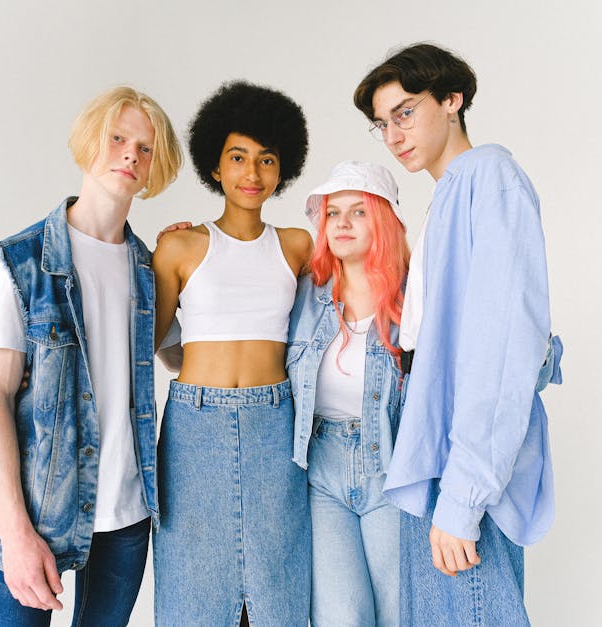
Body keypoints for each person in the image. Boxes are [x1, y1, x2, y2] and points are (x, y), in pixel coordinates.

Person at [353, 43, 564, 625]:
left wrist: (464, 495)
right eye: (382, 123)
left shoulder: (490, 178)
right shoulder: (448, 193)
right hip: (436, 446)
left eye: (405, 112)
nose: (394, 135)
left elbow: (502, 349)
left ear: (452, 100)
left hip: (463, 463)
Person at [0, 85, 183, 626]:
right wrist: (14, 531)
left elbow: (184, 361)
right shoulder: (19, 265)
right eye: (118, 139)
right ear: (90, 144)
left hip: (127, 520)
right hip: (38, 514)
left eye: (146, 148)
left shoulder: (150, 271)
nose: (131, 154)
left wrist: (196, 263)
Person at [151, 81, 313, 626]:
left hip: (276, 424)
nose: (252, 173)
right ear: (214, 167)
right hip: (194, 428)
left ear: (282, 170)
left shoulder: (297, 246)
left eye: (266, 160)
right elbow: (151, 341)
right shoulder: (179, 247)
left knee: (278, 583)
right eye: (238, 157)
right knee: (193, 588)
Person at [286, 161, 409, 626]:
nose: (341, 222)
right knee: (341, 617)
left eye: (358, 211)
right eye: (333, 212)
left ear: (383, 221)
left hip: (392, 471)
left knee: (400, 612)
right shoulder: (303, 294)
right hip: (321, 471)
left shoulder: (414, 299)